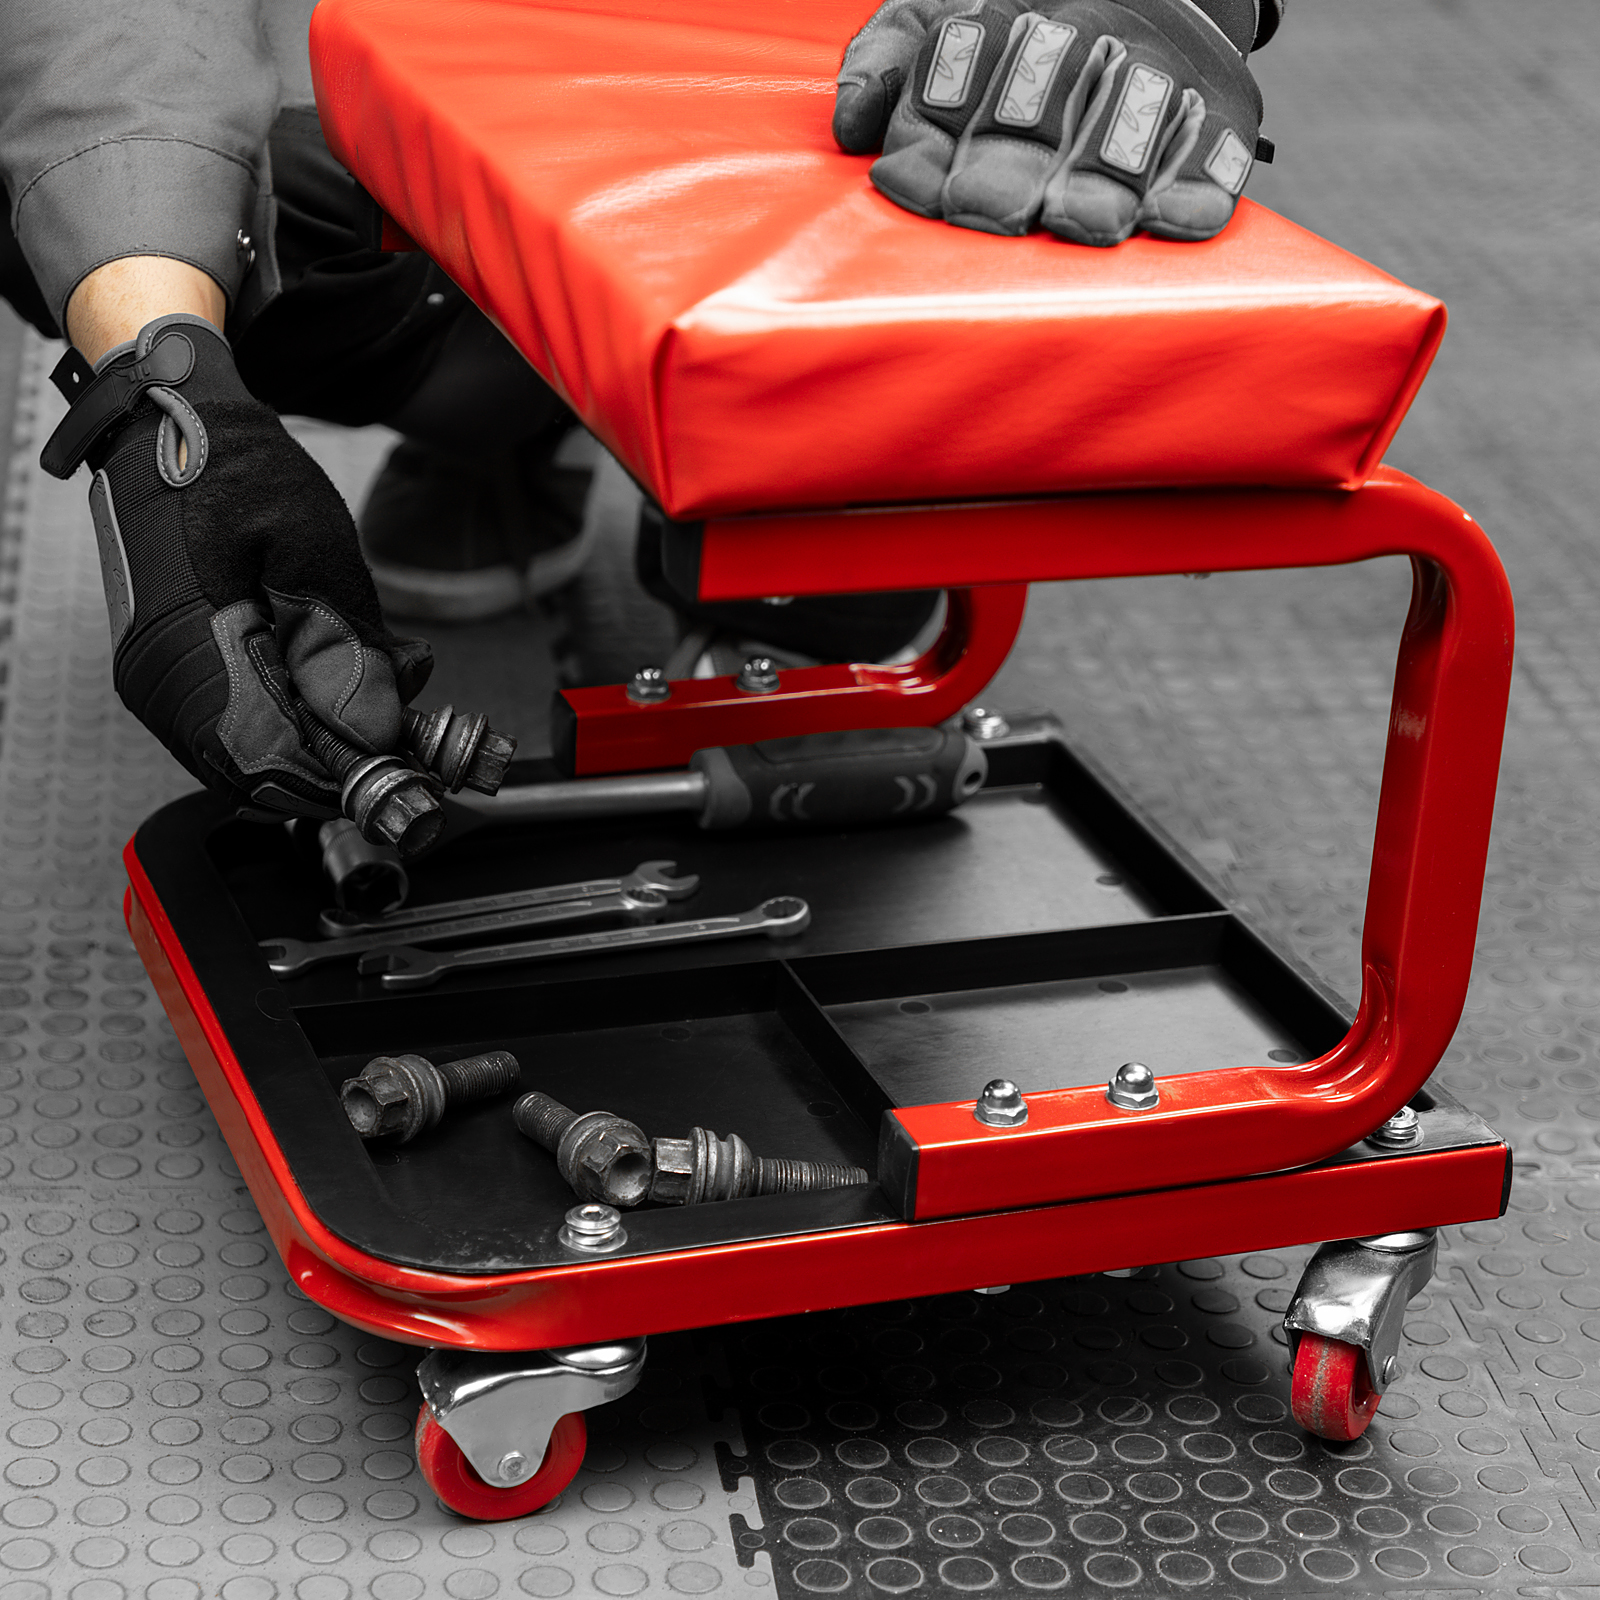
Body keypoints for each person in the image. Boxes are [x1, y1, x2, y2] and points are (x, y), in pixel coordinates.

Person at [0, 0, 1282, 824]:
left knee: (963, 173)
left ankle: (803, 584)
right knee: (132, 197)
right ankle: (499, 411)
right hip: (464, 78)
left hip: (843, 101)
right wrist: (167, 388)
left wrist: (1160, 5)